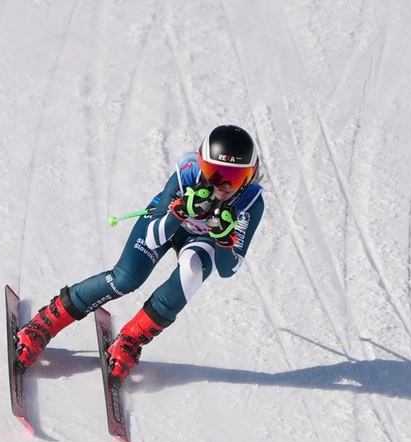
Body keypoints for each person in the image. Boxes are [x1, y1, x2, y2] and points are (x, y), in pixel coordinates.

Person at [14, 124, 266, 381]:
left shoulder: (251, 203)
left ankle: (130, 340)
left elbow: (227, 269)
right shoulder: (188, 174)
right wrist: (179, 211)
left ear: (251, 176)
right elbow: (154, 235)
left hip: (202, 239)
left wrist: (223, 239)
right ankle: (45, 323)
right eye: (214, 174)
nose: (223, 185)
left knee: (192, 273)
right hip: (165, 223)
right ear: (202, 165)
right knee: (125, 278)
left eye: (235, 178)